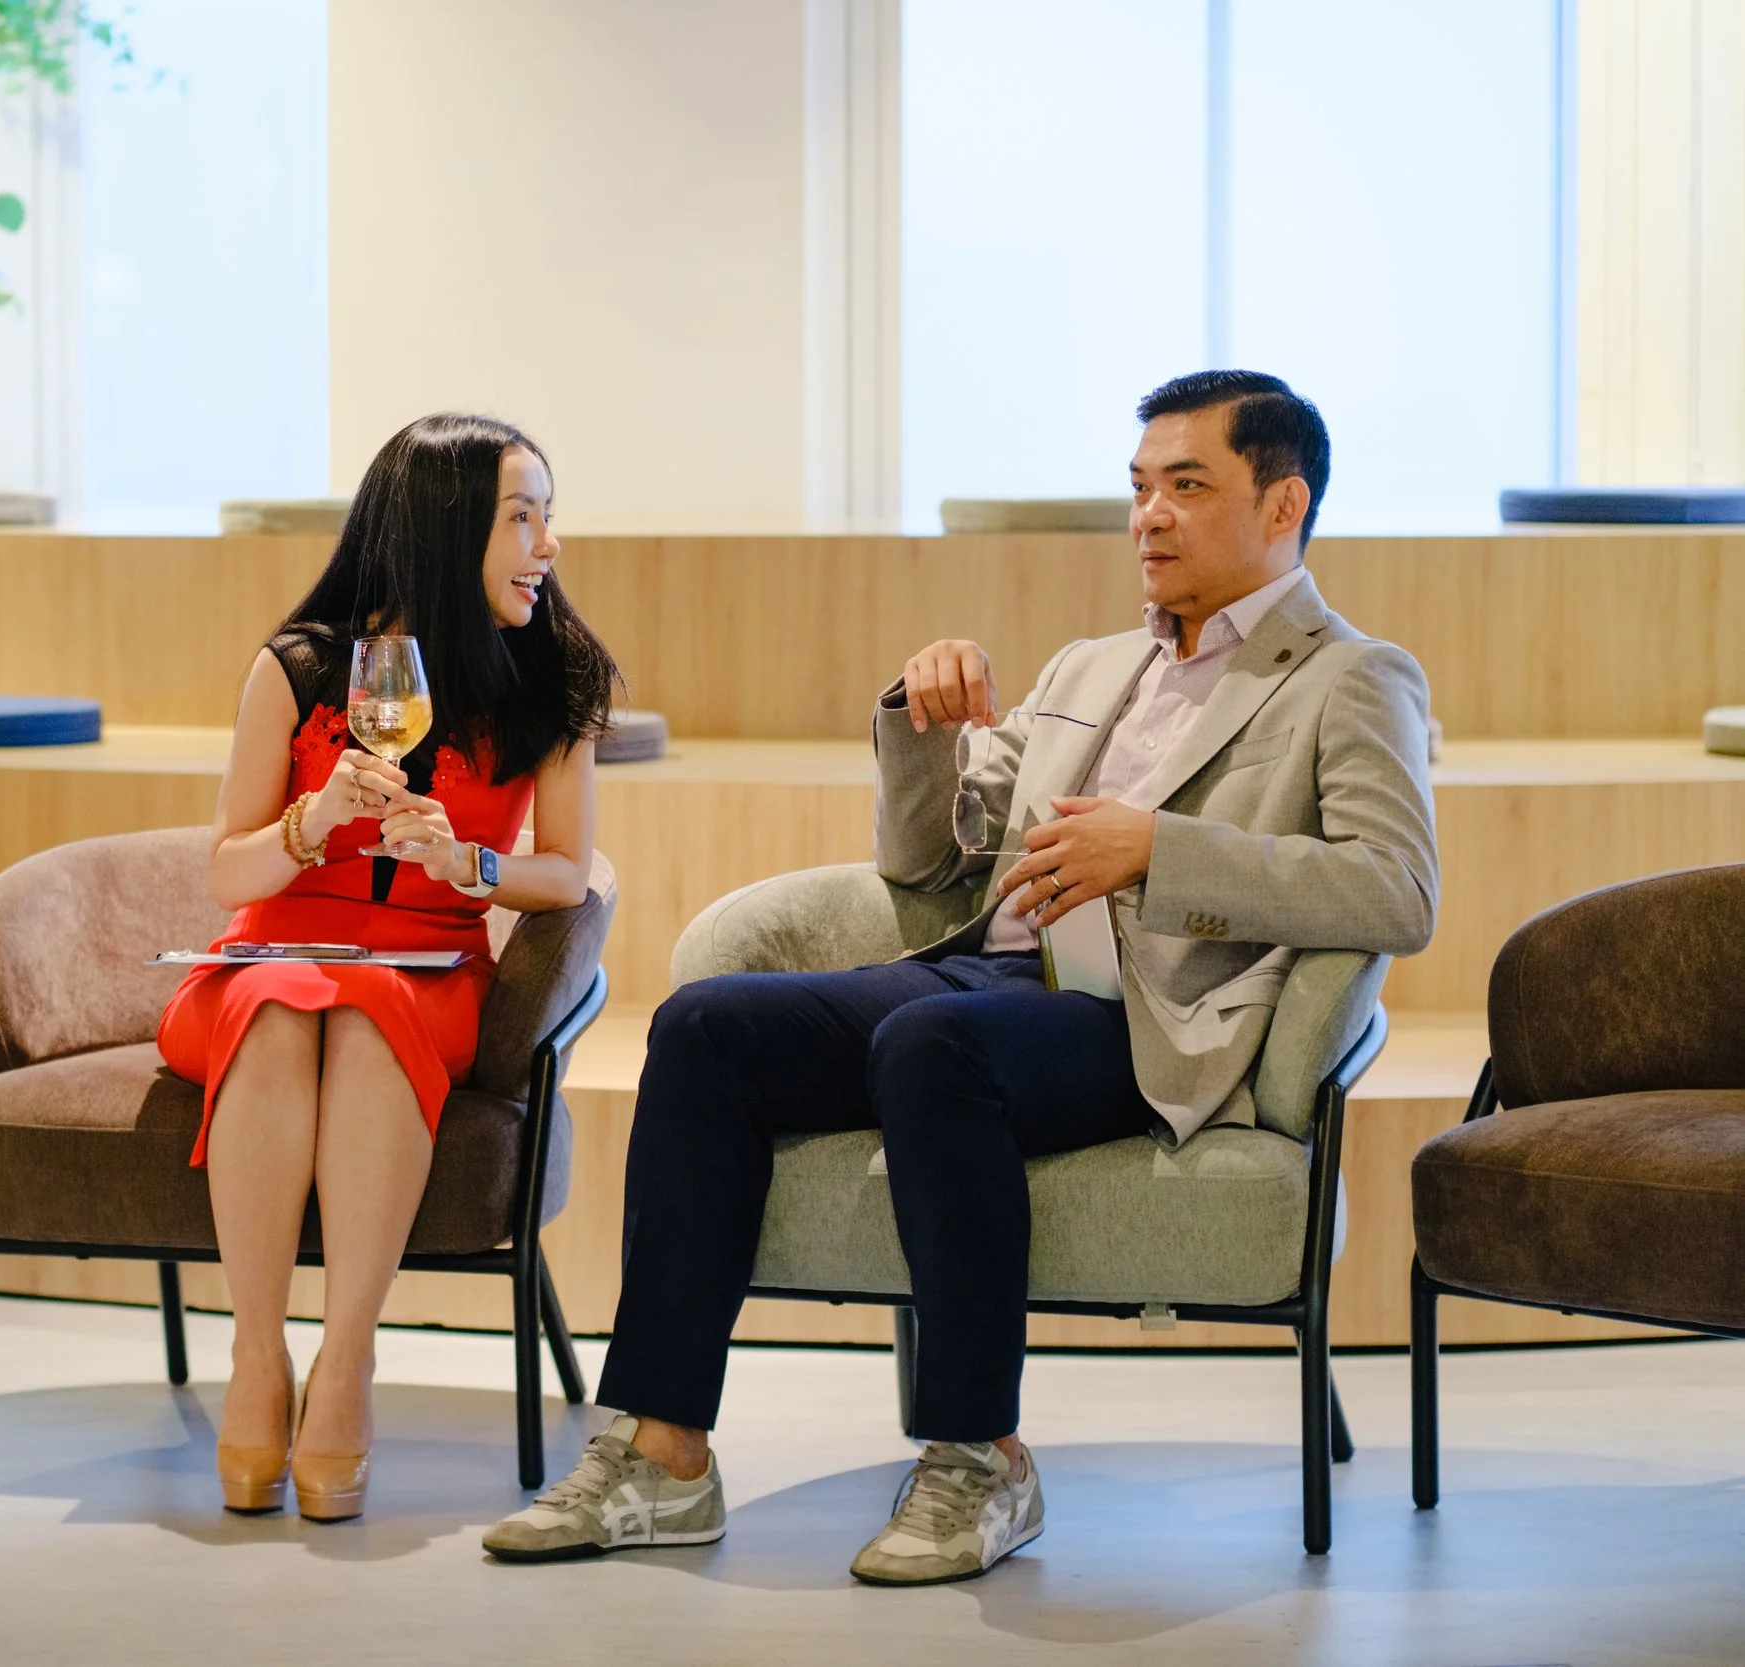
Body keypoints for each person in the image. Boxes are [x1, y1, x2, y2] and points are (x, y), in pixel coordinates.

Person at [485, 371, 1438, 1583]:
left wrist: (1159, 851)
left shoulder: (1350, 676)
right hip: (987, 978)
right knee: (705, 1023)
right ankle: (662, 1454)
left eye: (1186, 486)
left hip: (1149, 1016)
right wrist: (919, 723)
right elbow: (928, 863)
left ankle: (979, 1454)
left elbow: (1396, 888)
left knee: (930, 1047)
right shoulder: (1092, 666)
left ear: (1282, 503)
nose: (1148, 515)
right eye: (1139, 487)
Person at [159, 412, 618, 1523]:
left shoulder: (554, 676)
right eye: (521, 517)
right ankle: (257, 1355)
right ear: (446, 530)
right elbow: (226, 871)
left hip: (427, 972)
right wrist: (313, 823)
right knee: (280, 1004)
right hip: (264, 958)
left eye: (547, 516)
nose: (547, 544)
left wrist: (468, 864)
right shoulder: (300, 666)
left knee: (364, 1010)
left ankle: (348, 1359)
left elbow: (568, 871)